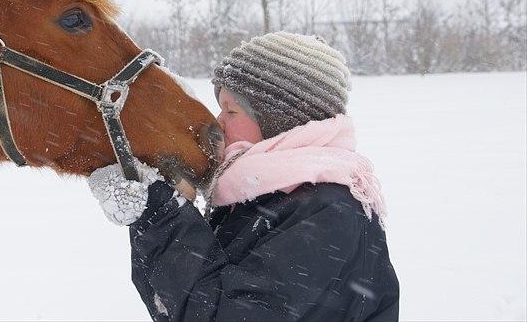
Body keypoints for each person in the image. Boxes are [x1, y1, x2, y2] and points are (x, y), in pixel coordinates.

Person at [88, 32, 399, 321]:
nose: (218, 122)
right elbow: (177, 307)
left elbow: (222, 313)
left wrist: (161, 217)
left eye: (231, 111)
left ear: (278, 120)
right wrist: (156, 212)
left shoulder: (326, 210)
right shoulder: (258, 195)